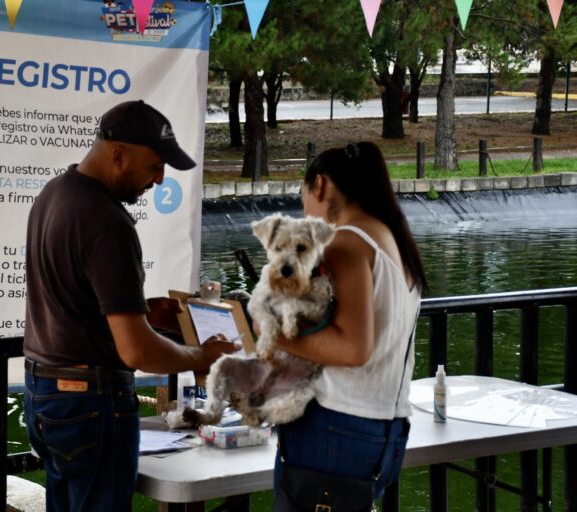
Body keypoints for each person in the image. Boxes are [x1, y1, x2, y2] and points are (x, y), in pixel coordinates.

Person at [23, 100, 239, 512]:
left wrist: (140, 310)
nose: (159, 180)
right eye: (155, 165)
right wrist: (201, 356)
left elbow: (71, 296)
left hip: (46, 396)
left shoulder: (55, 193)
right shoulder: (108, 222)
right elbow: (136, 351)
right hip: (90, 404)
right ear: (118, 155)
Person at [272, 141, 427, 507]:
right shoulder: (395, 243)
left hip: (334, 427)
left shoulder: (345, 244)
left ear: (321, 185)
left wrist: (272, 334)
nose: (304, 210)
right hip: (384, 431)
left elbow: (353, 348)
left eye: (304, 195)